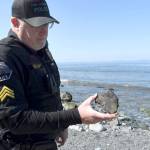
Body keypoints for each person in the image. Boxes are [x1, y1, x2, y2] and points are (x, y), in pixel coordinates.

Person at [0, 0, 116, 149]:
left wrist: (62, 126)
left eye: (47, 24)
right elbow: (15, 120)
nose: (44, 31)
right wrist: (75, 116)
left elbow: (51, 92)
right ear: (15, 23)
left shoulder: (40, 48)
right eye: (36, 25)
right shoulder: (5, 57)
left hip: (46, 142)